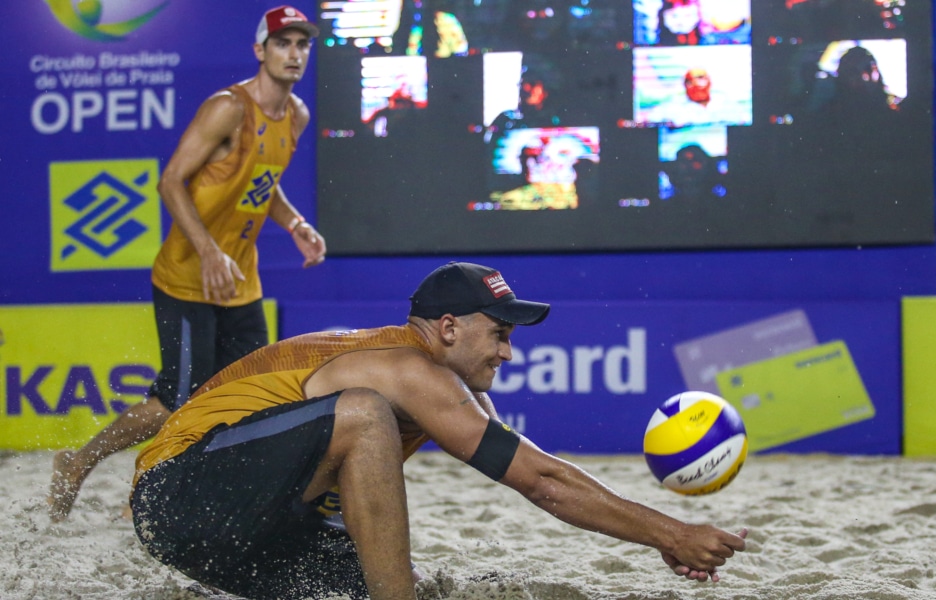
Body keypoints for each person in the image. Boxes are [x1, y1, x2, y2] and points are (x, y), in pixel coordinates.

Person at [130, 261, 749, 600]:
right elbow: (544, 484)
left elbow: (533, 471)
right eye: (500, 334)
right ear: (447, 328)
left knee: (400, 584)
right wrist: (673, 533)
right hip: (176, 499)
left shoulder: (448, 384)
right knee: (364, 416)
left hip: (246, 532)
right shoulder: (408, 367)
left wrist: (665, 536)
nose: (508, 353)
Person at [48, 5, 327, 522]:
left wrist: (294, 224)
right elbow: (170, 180)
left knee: (249, 394)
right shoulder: (228, 108)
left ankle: (169, 493)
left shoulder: (296, 115)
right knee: (174, 401)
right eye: (283, 43)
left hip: (239, 282)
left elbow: (262, 181)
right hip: (186, 277)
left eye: (302, 44)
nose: (294, 53)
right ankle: (78, 462)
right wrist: (208, 250)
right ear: (259, 50)